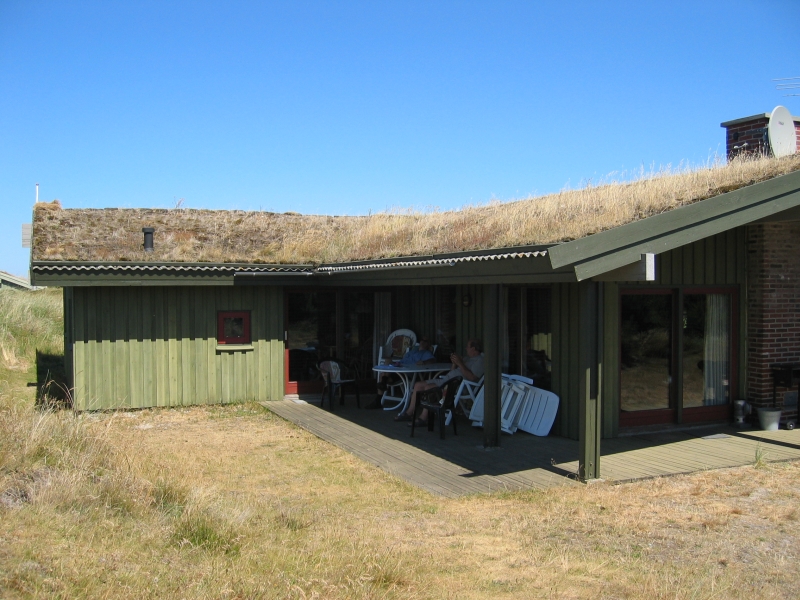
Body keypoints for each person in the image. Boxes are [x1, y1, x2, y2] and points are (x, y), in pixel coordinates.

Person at [394, 338, 484, 424]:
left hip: (458, 386)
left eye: (468, 347)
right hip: (446, 380)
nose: (466, 348)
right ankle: (409, 413)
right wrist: (454, 363)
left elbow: (472, 377)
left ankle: (424, 418)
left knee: (429, 388)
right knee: (418, 385)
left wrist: (460, 363)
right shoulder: (467, 359)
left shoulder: (480, 361)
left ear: (473, 349)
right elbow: (452, 372)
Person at [365, 338, 436, 409]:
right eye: (422, 340)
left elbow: (433, 360)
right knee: (387, 360)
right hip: (399, 368)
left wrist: (423, 362)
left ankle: (380, 394)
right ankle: (383, 383)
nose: (422, 342)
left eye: (425, 341)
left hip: (406, 373)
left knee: (382, 375)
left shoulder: (426, 353)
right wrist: (395, 364)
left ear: (428, 345)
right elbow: (402, 361)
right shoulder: (412, 351)